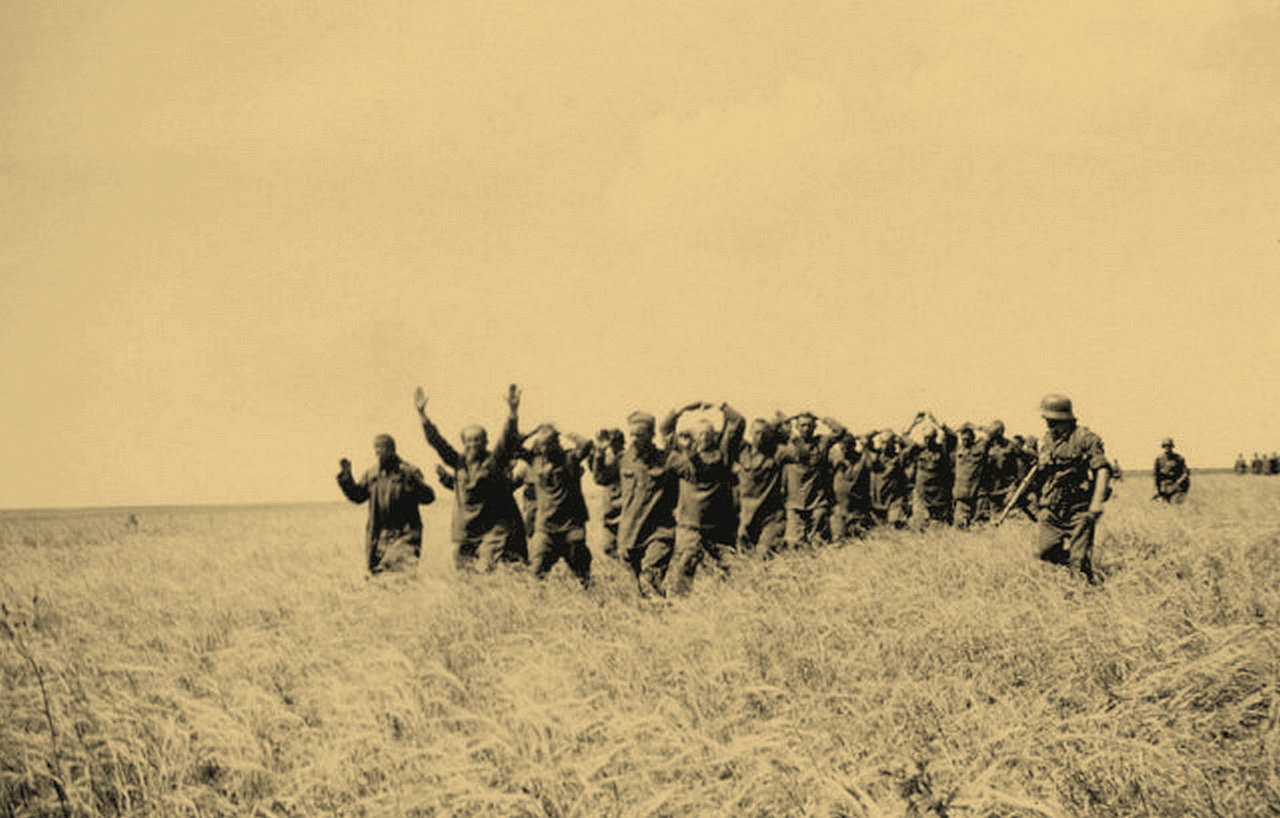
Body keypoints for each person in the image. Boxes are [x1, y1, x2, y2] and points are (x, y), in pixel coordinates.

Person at [415, 383, 525, 571]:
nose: (473, 444)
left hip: (491, 529)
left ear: (485, 442)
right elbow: (437, 442)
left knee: (485, 568)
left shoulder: (492, 462)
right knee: (463, 572)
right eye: (468, 440)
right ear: (463, 443)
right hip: (465, 530)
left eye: (477, 440)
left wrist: (513, 413)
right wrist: (422, 415)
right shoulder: (458, 462)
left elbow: (506, 441)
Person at [664, 402, 746, 595]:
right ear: (693, 437)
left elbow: (738, 423)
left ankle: (727, 601)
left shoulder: (723, 456)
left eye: (708, 433)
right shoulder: (683, 459)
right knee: (685, 567)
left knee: (728, 567)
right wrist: (680, 410)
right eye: (700, 434)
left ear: (714, 435)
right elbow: (666, 432)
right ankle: (680, 602)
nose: (704, 438)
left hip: (719, 527)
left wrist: (721, 405)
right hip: (690, 527)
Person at [594, 409, 678, 598]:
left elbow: (691, 477)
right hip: (630, 535)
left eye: (640, 435)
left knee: (649, 579)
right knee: (636, 590)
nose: (634, 439)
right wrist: (599, 452)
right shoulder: (624, 460)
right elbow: (601, 478)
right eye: (632, 435)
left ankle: (661, 610)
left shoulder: (666, 459)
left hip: (658, 532)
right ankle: (654, 614)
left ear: (651, 435)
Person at [1030, 394, 1110, 584]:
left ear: (1063, 418)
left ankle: (1082, 580)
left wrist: (1096, 504)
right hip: (1052, 507)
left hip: (1078, 509)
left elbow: (1103, 470)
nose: (1048, 424)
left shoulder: (1085, 438)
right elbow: (1041, 474)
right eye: (1046, 420)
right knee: (1043, 552)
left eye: (1051, 420)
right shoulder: (1047, 440)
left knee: (1079, 560)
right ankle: (1079, 565)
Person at [337, 434, 436, 575]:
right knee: (377, 576)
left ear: (392, 449)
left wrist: (414, 482)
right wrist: (347, 479)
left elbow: (429, 498)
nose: (377, 451)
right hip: (379, 535)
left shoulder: (409, 471)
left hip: (405, 534)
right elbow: (358, 497)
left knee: (401, 574)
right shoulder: (371, 474)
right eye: (375, 448)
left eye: (381, 447)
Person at [522, 424, 594, 586]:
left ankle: (590, 595)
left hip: (571, 526)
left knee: (582, 573)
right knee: (536, 571)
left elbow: (586, 445)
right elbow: (512, 446)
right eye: (542, 445)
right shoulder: (535, 461)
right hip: (545, 528)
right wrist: (533, 431)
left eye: (549, 443)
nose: (545, 448)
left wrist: (562, 429)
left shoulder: (569, 459)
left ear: (556, 443)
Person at [778, 412, 846, 548]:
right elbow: (769, 436)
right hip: (794, 502)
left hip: (817, 501)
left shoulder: (822, 442)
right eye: (803, 425)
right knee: (793, 543)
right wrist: (784, 421)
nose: (806, 428)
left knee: (816, 541)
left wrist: (823, 417)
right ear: (797, 427)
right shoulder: (789, 445)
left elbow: (840, 431)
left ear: (815, 427)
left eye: (810, 425)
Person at [736, 417, 788, 554]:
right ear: (750, 433)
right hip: (747, 516)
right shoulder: (742, 451)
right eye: (757, 433)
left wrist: (782, 427)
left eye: (764, 434)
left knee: (764, 553)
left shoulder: (777, 452)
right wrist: (723, 407)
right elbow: (734, 428)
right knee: (743, 555)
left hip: (770, 516)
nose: (760, 437)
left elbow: (800, 453)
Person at [905, 411, 953, 527]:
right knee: (920, 522)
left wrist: (937, 422)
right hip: (922, 492)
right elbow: (904, 437)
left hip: (938, 493)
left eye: (930, 438)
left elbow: (952, 437)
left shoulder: (942, 450)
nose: (927, 441)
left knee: (940, 523)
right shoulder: (918, 449)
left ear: (935, 437)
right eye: (925, 438)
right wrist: (913, 423)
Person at [830, 431, 875, 538]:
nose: (845, 449)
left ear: (853, 446)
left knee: (859, 536)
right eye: (843, 446)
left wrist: (867, 446)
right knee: (838, 536)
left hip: (857, 507)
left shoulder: (861, 459)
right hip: (839, 507)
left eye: (848, 445)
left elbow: (871, 463)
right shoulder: (836, 460)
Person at [590, 428, 626, 558]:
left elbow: (600, 477)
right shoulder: (610, 459)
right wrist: (598, 453)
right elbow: (599, 478)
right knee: (608, 547)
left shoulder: (625, 459)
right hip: (611, 512)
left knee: (626, 549)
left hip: (624, 511)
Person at [980, 420, 1021, 521]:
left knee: (1007, 516)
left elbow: (1021, 462)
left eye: (994, 433)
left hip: (1006, 488)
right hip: (990, 488)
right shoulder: (987, 446)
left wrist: (1016, 482)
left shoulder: (1010, 446)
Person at [952, 423, 988, 528]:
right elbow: (949, 434)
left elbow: (991, 433)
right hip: (962, 493)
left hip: (977, 493)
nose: (965, 441)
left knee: (980, 525)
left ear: (973, 439)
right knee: (959, 526)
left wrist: (976, 426)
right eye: (963, 439)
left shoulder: (980, 448)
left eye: (968, 439)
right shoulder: (958, 449)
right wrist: (959, 428)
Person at [1153, 438, 1190, 503]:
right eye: (1165, 446)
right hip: (1164, 486)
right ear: (1163, 447)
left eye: (1169, 446)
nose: (1167, 448)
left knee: (1176, 503)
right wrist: (1157, 490)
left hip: (1176, 486)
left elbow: (1185, 473)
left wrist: (1177, 483)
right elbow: (1156, 475)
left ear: (1172, 447)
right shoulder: (1159, 459)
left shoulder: (1179, 458)